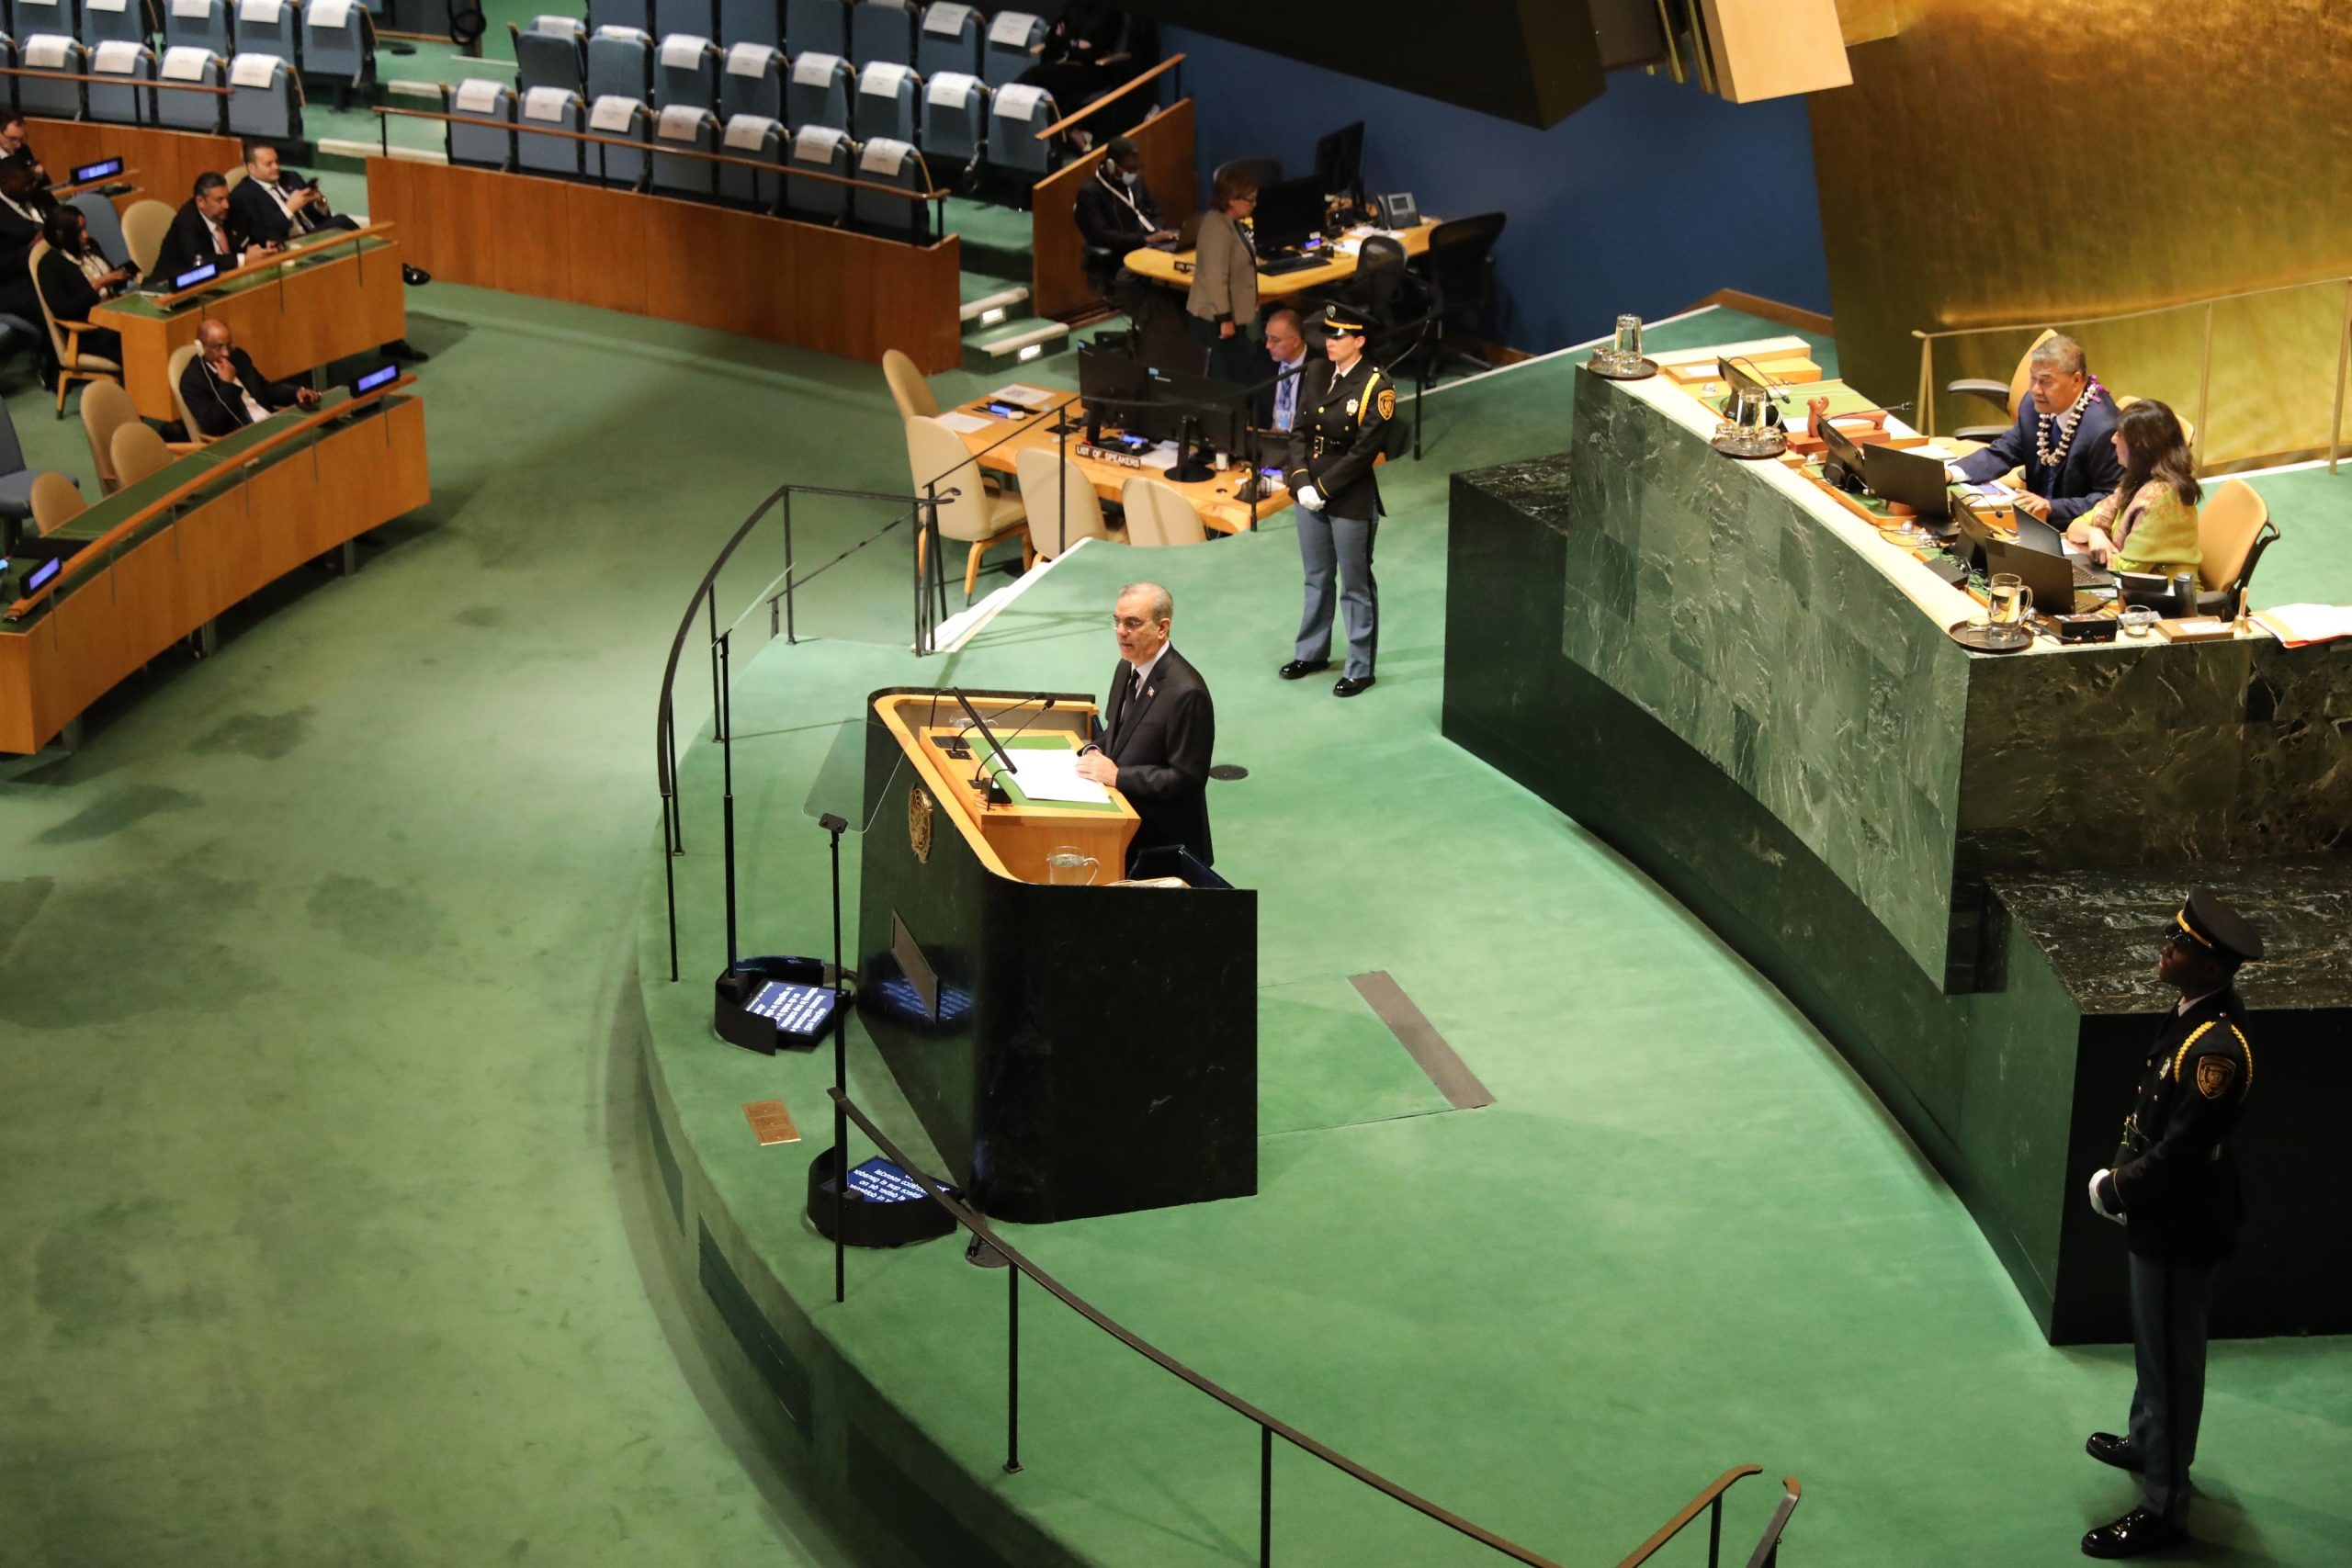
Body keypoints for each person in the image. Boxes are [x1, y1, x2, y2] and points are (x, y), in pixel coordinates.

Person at [2079, 891, 2263, 1560]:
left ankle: (2164, 1508)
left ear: (2211, 966)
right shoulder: (2193, 1012)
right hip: (2165, 1212)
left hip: (2180, 1223)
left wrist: (2117, 1186)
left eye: (2179, 943)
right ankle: (2145, 1440)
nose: (2165, 946)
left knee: (2172, 1370)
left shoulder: (2218, 1050)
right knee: (2154, 1347)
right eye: (2170, 933)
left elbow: (2183, 1150)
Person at [1280, 302, 1393, 698]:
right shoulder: (1315, 371)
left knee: (1355, 584)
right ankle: (1311, 653)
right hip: (1308, 489)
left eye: (1339, 335)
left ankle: (1360, 668)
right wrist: (1300, 482)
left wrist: (1322, 489)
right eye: (1328, 334)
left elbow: (1364, 452)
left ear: (1359, 341)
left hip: (1349, 497)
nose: (1330, 341)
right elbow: (1298, 431)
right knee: (1316, 576)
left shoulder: (1376, 386)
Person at [230, 144, 428, 359]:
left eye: (277, 161)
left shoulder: (292, 178)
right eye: (268, 164)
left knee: (373, 267)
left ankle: (392, 340)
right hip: (289, 255)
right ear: (252, 168)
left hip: (319, 241)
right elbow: (264, 235)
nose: (276, 167)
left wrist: (320, 202)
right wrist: (289, 208)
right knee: (343, 222)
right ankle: (400, 268)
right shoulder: (242, 196)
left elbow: (323, 219)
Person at [1075, 581, 1215, 872]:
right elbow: (1119, 733)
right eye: (1117, 621)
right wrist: (1093, 751)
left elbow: (1186, 781)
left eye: (1132, 623)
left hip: (1163, 847)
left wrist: (1117, 776)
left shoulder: (1187, 692)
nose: (1121, 631)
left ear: (1162, 628)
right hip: (1126, 829)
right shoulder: (1126, 667)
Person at [1948, 333, 2122, 524]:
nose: (2036, 390)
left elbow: (2112, 499)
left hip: (2075, 529)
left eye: (2046, 381)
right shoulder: (2034, 405)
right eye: (2033, 379)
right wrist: (1952, 473)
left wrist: (2051, 507)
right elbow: (2005, 451)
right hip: (2031, 521)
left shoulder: (2103, 429)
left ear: (2076, 380)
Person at [2065, 399, 2202, 579]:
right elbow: (2076, 527)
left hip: (2164, 592)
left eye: (2120, 435)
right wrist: (2093, 533)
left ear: (2140, 446)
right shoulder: (2137, 480)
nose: (2113, 439)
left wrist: (2087, 551)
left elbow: (2129, 569)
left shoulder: (2162, 498)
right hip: (2131, 584)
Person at [1075, 136, 1173, 316]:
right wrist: (1144, 239)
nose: (1134, 173)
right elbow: (1100, 234)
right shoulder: (1090, 192)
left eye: (1137, 168)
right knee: (1160, 296)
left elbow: (1155, 212)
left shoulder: (1137, 183)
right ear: (1111, 165)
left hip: (1149, 249)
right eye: (1129, 169)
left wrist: (1158, 232)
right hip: (1117, 259)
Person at [179, 319, 320, 437]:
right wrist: (227, 384)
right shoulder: (192, 381)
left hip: (270, 424)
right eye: (218, 347)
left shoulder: (238, 356)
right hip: (242, 438)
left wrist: (296, 392)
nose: (226, 353)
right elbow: (215, 425)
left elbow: (266, 389)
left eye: (228, 345)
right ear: (201, 347)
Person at [1185, 165, 1258, 383]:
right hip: (1214, 319)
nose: (1254, 204)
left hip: (1227, 317)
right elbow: (1217, 279)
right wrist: (1224, 319)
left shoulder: (1232, 224)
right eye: (1250, 200)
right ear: (1231, 199)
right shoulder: (1217, 228)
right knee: (1222, 376)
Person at [35, 205, 131, 366]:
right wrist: (98, 285)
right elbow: (64, 310)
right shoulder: (49, 266)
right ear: (62, 237)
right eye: (79, 232)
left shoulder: (90, 246)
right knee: (135, 342)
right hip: (88, 330)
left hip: (114, 314)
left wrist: (120, 277)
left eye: (85, 228)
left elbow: (111, 281)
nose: (86, 235)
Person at [154, 171, 276, 280]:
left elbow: (252, 230)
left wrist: (266, 243)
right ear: (200, 201)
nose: (226, 205)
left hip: (221, 279)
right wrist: (243, 259)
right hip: (168, 287)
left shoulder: (228, 209)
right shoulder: (186, 222)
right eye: (219, 200)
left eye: (226, 198)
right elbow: (201, 261)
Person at [1256, 307, 1309, 434]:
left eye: (1275, 340)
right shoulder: (1262, 360)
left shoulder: (1318, 365)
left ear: (1295, 341)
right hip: (1267, 438)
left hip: (1301, 441)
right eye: (1267, 338)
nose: (1268, 345)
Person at [0, 114, 48, 186]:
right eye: (13, 139)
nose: (18, 145)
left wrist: (38, 177)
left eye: (21, 139)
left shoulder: (23, 150)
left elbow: (47, 185)